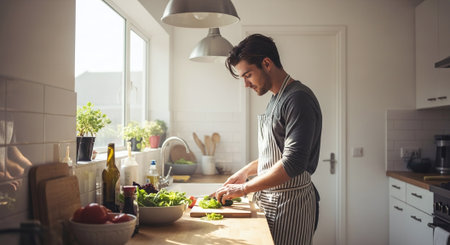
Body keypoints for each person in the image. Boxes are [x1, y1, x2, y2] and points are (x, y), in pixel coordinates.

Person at [214, 34, 322, 245]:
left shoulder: (298, 99)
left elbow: (293, 163)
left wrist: (244, 188)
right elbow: (276, 156)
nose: (246, 84)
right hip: (272, 201)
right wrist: (245, 172)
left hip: (291, 204)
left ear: (266, 63)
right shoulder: (276, 99)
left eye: (248, 75)